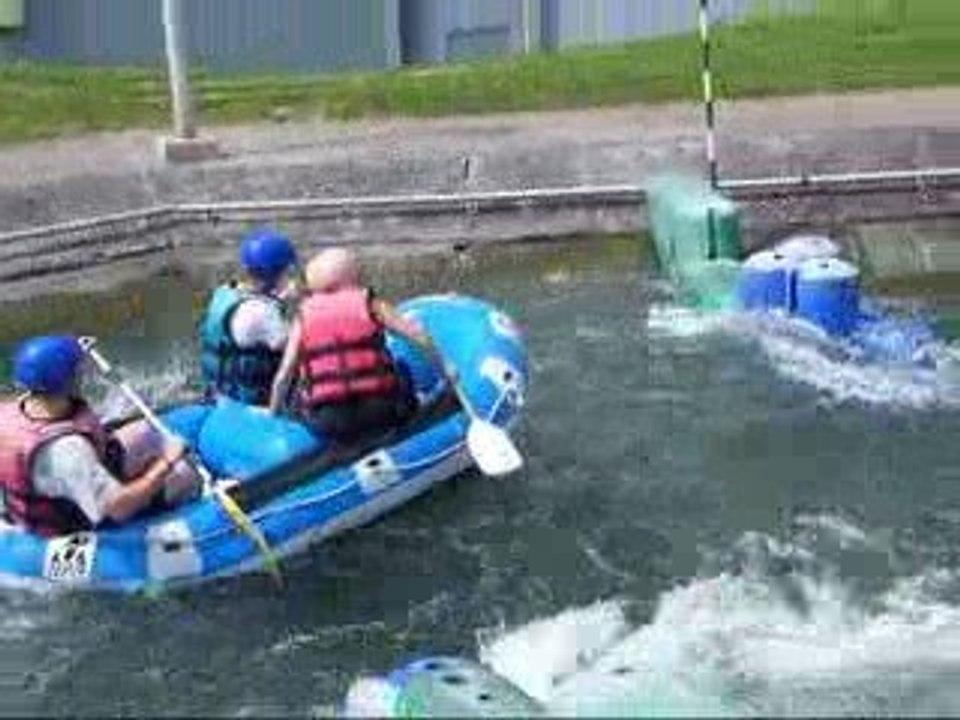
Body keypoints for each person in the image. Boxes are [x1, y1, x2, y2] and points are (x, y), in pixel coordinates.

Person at [0, 336, 202, 538]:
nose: (83, 374)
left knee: (143, 432)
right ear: (67, 381)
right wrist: (166, 462)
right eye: (78, 370)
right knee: (184, 474)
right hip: (78, 513)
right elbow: (118, 508)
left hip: (62, 481)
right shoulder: (68, 451)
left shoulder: (10, 410)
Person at [268, 248, 449, 445]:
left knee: (298, 394)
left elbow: (283, 376)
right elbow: (419, 336)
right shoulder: (370, 303)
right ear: (350, 276)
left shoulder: (303, 316)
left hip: (331, 423)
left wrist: (273, 417)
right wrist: (448, 371)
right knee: (402, 368)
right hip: (384, 412)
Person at [199, 227, 299, 406]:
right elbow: (293, 346)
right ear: (277, 273)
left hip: (216, 393)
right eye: (286, 271)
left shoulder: (224, 291)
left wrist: (280, 298)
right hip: (245, 404)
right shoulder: (262, 313)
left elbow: (251, 318)